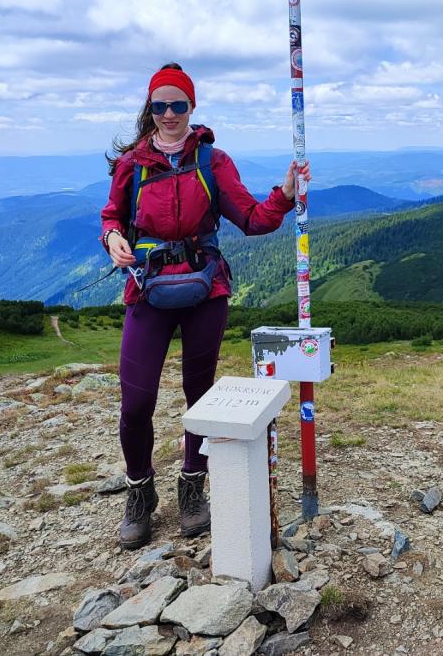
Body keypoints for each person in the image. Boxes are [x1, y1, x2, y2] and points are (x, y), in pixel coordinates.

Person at [99, 62, 311, 550]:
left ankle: (193, 487)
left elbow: (252, 219)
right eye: (160, 105)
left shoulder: (213, 161)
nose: (169, 113)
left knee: (201, 396)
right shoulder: (133, 163)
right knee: (136, 402)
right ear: (150, 108)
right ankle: (139, 491)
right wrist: (111, 237)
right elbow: (112, 215)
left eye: (178, 104)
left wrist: (284, 195)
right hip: (148, 290)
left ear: (192, 106)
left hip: (205, 290)